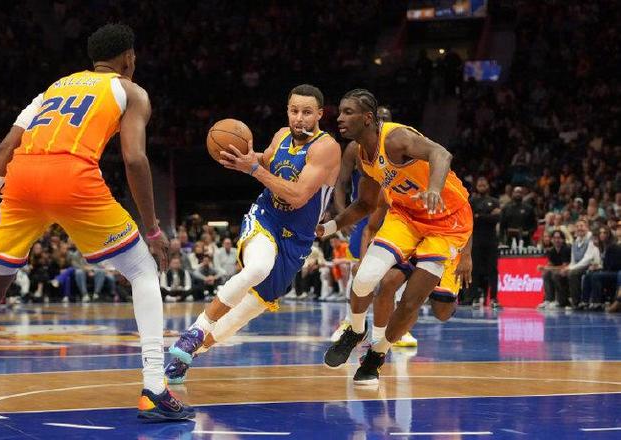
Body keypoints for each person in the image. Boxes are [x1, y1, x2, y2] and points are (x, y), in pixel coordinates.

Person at [0, 24, 192, 421]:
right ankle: (155, 388)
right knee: (143, 270)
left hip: (21, 179)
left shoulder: (51, 90)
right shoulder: (131, 91)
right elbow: (134, 159)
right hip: (71, 177)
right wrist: (153, 230)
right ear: (129, 58)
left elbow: (3, 148)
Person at [165, 84, 340, 384]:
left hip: (297, 239)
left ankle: (190, 354)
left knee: (245, 312)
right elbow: (265, 161)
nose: (299, 118)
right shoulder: (281, 136)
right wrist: (243, 158)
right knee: (259, 267)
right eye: (294, 111)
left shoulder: (326, 148)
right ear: (287, 111)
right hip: (266, 218)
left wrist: (253, 169)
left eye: (307, 112)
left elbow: (298, 196)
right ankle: (195, 330)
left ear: (320, 115)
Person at [319, 89, 473, 385]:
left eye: (348, 112)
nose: (339, 118)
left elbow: (442, 154)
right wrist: (329, 227)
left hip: (446, 222)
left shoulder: (395, 138)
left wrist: (434, 189)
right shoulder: (362, 155)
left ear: (367, 118)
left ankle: (377, 355)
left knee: (412, 300)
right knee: (364, 277)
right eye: (340, 112)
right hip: (406, 216)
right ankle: (355, 330)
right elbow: (365, 204)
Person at [332, 105, 416, 347]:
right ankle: (351, 323)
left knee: (397, 274)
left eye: (386, 118)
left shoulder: (398, 143)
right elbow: (341, 182)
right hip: (365, 213)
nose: (382, 121)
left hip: (397, 213)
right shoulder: (354, 147)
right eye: (379, 117)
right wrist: (342, 215)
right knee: (358, 271)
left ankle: (397, 328)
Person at [467, 177, 501, 309]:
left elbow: (496, 218)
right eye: (479, 184)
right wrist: (488, 215)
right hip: (476, 240)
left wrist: (479, 216)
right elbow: (470, 219)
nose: (482, 186)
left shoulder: (495, 201)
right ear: (476, 186)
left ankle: (494, 298)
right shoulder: (472, 201)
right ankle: (474, 297)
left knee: (493, 270)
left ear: (488, 186)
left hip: (491, 240)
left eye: (484, 184)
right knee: (474, 270)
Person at [536, 230, 571, 309]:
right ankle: (549, 300)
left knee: (555, 275)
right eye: (554, 238)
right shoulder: (551, 250)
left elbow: (564, 266)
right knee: (546, 274)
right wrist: (543, 267)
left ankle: (560, 301)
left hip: (567, 270)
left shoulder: (566, 249)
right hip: (557, 271)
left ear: (563, 239)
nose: (556, 240)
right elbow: (550, 264)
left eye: (558, 238)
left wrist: (548, 268)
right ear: (551, 240)